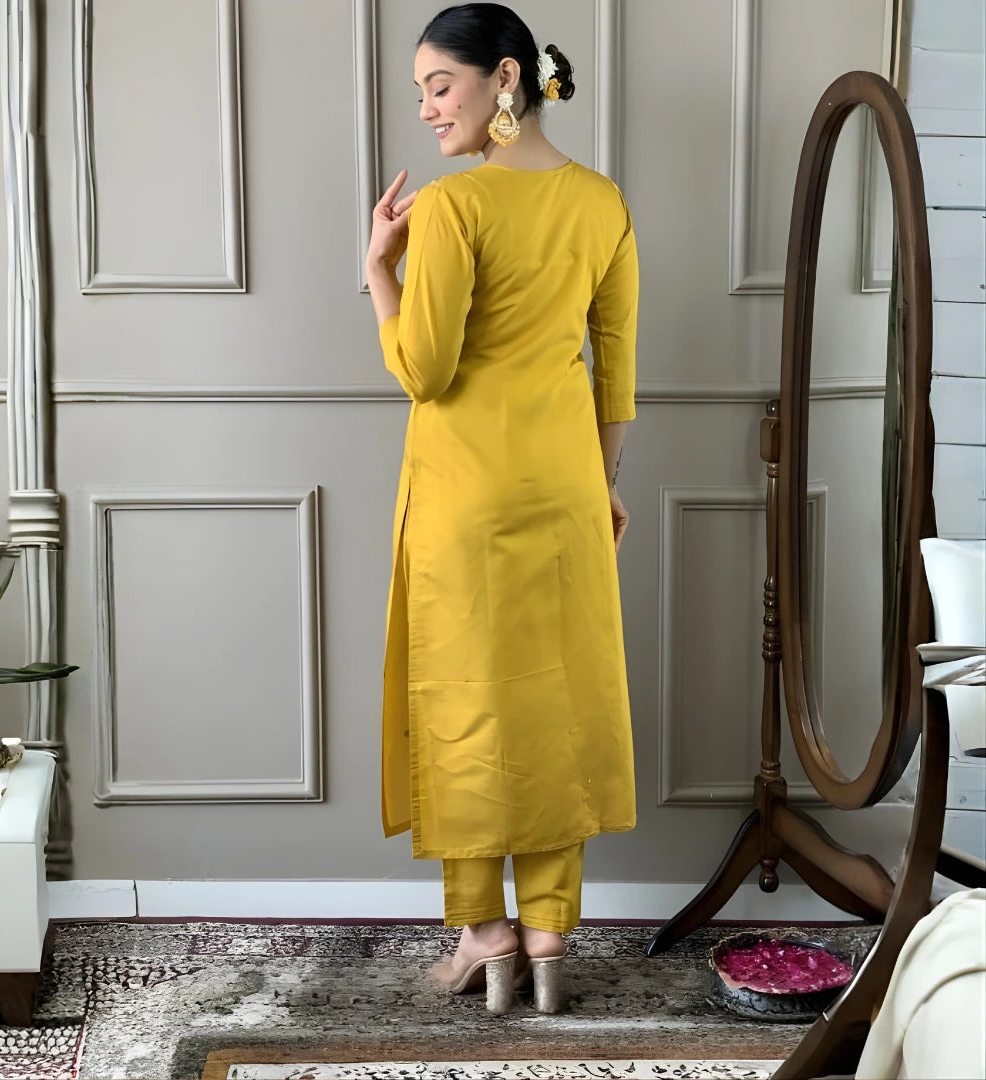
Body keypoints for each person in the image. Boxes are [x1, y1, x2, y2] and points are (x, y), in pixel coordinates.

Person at [365, 3, 639, 1016]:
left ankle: (484, 933)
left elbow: (424, 370)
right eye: (422, 93)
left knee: (469, 703)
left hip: (464, 497)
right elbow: (617, 370)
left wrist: (378, 270)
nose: (428, 109)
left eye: (440, 85)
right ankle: (551, 931)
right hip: (566, 490)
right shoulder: (603, 203)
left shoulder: (452, 208)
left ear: (507, 77)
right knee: (555, 700)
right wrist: (602, 483)